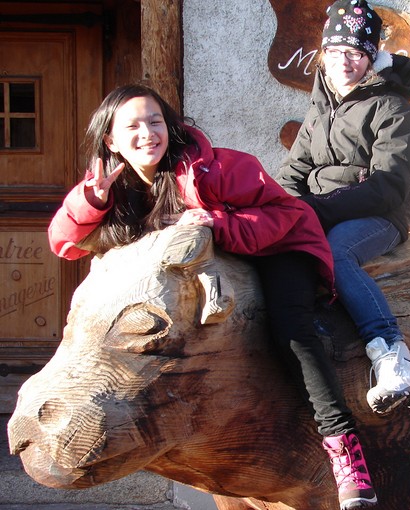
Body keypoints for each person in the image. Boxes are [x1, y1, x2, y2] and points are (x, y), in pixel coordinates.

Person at [48, 83, 377, 510]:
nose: (147, 133)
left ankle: (344, 448)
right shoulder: (111, 189)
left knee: (292, 330)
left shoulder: (211, 168)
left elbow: (284, 213)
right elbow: (63, 243)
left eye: (155, 121)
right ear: (110, 140)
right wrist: (90, 201)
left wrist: (215, 223)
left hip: (277, 247)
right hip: (221, 264)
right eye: (132, 126)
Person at [276, 0, 410, 417]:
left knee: (336, 253)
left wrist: (315, 210)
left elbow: (389, 186)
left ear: (370, 58)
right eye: (335, 51)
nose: (343, 61)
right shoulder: (319, 110)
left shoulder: (394, 109)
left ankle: (394, 358)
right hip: (319, 210)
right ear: (323, 54)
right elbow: (293, 172)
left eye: (355, 52)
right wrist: (280, 211)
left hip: (378, 216)